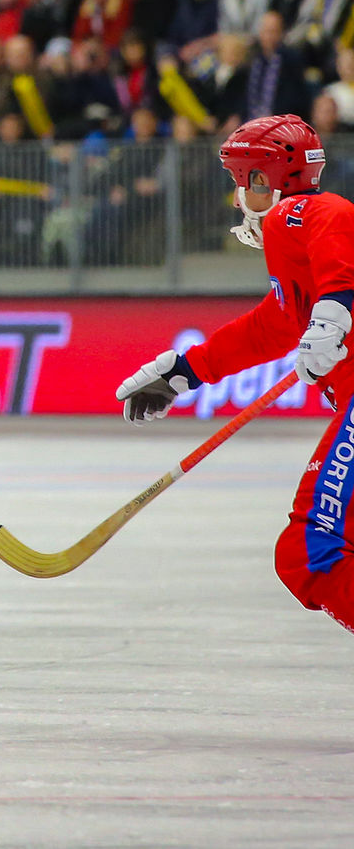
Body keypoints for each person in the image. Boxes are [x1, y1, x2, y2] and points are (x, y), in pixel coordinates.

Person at [117, 114, 354, 636]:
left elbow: (339, 236)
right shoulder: (293, 239)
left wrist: (335, 311)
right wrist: (185, 371)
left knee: (311, 552)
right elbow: (275, 325)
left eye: (242, 181)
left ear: (266, 180)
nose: (237, 197)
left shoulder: (298, 213)